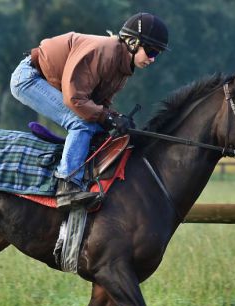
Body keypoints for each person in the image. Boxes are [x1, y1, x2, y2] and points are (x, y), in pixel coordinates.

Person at [10, 12, 170, 210]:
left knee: (98, 128)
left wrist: (115, 118)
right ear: (132, 42)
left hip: (48, 82)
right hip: (29, 79)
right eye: (152, 52)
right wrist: (107, 117)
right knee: (81, 123)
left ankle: (85, 179)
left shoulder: (122, 67)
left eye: (157, 54)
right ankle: (67, 184)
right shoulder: (106, 51)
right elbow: (75, 99)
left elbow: (98, 103)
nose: (152, 59)